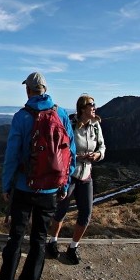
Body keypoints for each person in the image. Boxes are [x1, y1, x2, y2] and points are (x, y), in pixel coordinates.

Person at [0, 72, 76, 280]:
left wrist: (6, 185)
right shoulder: (61, 114)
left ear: (28, 90)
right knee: (40, 238)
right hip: (51, 189)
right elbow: (71, 154)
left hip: (24, 186)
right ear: (45, 89)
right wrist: (64, 182)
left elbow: (11, 155)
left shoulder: (21, 117)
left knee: (16, 237)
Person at [46, 94, 105, 265]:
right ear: (82, 108)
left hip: (86, 176)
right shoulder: (71, 125)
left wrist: (98, 155)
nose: (94, 107)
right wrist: (78, 157)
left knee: (86, 213)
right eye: (91, 105)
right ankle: (53, 241)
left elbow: (102, 146)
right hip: (70, 176)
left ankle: (73, 247)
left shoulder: (96, 125)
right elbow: (63, 149)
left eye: (94, 104)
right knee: (61, 211)